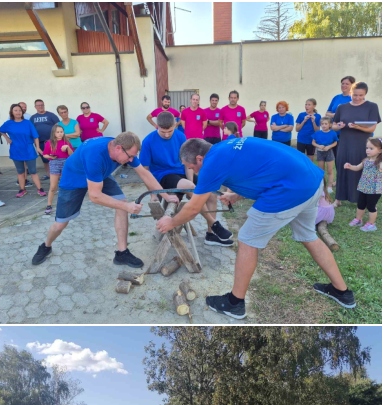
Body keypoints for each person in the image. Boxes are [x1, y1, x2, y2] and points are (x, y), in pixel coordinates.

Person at [160, 136, 355, 318]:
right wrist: (237, 195)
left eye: (191, 167)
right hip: (310, 180)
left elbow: (194, 207)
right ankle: (342, 292)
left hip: (290, 189)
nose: (193, 172)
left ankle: (235, 303)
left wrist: (171, 221)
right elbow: (261, 170)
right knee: (308, 235)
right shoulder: (224, 146)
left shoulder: (210, 164)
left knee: (247, 240)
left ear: (199, 158)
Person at [30, 132, 175, 268]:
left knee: (122, 203)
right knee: (60, 224)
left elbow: (145, 174)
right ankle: (46, 246)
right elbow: (95, 196)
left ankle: (122, 253)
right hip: (73, 180)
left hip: (99, 176)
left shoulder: (124, 148)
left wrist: (166, 195)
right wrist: (128, 207)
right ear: (118, 148)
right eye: (130, 156)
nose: (131, 160)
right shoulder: (95, 155)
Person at [140, 112, 232, 246]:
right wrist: (153, 194)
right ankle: (214, 224)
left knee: (211, 195)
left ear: (175, 125)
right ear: (157, 127)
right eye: (162, 131)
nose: (166, 135)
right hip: (163, 176)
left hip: (181, 173)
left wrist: (192, 182)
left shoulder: (180, 136)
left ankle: (211, 234)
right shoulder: (148, 141)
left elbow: (187, 163)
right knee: (190, 187)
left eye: (170, 131)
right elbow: (145, 171)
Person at [331, 82, 382, 208]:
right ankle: (338, 199)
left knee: (364, 170)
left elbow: (371, 128)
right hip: (345, 143)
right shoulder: (342, 107)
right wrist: (338, 126)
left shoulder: (372, 106)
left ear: (365, 94)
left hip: (363, 144)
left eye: (361, 95)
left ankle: (363, 199)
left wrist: (358, 126)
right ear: (350, 93)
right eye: (355, 95)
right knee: (343, 169)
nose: (358, 98)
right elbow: (333, 125)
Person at [0, 104, 43, 199]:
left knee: (33, 171)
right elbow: (1, 130)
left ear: (22, 112)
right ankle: (22, 189)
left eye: (19, 110)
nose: (18, 112)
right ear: (12, 112)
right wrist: (7, 138)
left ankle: (40, 189)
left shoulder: (28, 123)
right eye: (15, 110)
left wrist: (38, 148)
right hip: (16, 150)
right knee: (20, 171)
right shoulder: (8, 123)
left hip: (29, 150)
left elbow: (35, 136)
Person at [344, 137, 381, 231]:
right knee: (360, 204)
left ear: (380, 150)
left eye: (371, 148)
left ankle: (371, 224)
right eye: (367, 148)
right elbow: (357, 168)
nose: (368, 150)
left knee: (371, 206)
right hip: (363, 187)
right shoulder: (366, 160)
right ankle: (358, 219)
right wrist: (350, 166)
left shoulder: (380, 162)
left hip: (374, 190)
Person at [40, 123, 73, 216]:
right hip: (54, 163)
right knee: (53, 186)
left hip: (65, 163)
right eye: (57, 132)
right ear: (54, 133)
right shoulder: (49, 143)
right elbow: (45, 154)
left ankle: (67, 204)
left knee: (65, 185)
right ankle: (49, 205)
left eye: (61, 132)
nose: (60, 134)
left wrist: (67, 148)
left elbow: (72, 155)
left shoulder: (66, 142)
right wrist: (50, 156)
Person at [29, 99, 61, 181]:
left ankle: (58, 175)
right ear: (35, 107)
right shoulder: (33, 118)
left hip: (52, 141)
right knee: (45, 159)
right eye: (38, 105)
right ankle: (49, 174)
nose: (40, 106)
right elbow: (30, 130)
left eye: (42, 105)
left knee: (55, 158)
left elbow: (58, 126)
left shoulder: (51, 115)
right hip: (40, 142)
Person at [314, 117, 340, 199]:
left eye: (326, 124)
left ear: (330, 125)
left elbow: (335, 142)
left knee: (330, 170)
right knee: (321, 170)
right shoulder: (317, 133)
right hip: (320, 152)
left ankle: (329, 186)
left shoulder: (333, 133)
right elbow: (313, 142)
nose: (324, 125)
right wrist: (319, 146)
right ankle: (321, 186)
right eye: (322, 124)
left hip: (329, 152)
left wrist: (329, 146)